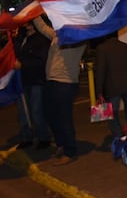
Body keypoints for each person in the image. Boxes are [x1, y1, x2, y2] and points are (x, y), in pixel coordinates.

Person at [32, 15, 87, 165]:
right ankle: (61, 144)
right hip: (51, 81)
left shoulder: (78, 38)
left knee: (63, 118)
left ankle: (70, 151)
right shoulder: (57, 36)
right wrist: (34, 12)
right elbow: (42, 28)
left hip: (65, 83)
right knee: (51, 116)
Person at [94, 32, 127, 141]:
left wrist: (99, 91)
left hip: (112, 87)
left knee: (112, 114)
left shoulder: (101, 48)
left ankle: (121, 137)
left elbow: (100, 71)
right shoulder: (126, 47)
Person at [13, 20, 52, 149]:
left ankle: (43, 138)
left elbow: (42, 61)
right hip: (24, 80)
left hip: (37, 80)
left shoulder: (41, 39)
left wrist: (23, 64)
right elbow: (16, 53)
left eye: (30, 22)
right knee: (24, 112)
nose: (27, 24)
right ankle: (27, 137)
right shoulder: (23, 39)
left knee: (37, 111)